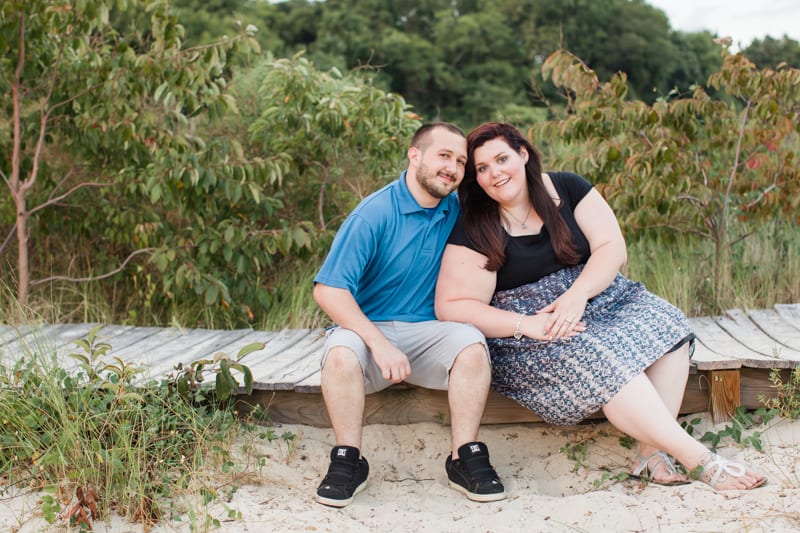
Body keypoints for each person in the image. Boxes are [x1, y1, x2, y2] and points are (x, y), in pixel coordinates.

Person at [435, 122, 766, 491]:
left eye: (501, 159)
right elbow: (452, 305)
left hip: (599, 298)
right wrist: (526, 324)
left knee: (666, 324)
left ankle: (650, 454)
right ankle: (702, 461)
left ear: (523, 154)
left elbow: (612, 247)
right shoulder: (476, 224)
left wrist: (578, 295)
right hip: (533, 329)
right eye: (482, 168)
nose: (495, 173)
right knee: (601, 356)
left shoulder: (567, 187)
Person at [312, 122, 506, 507]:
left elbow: (511, 185)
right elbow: (328, 290)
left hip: (428, 331)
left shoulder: (457, 209)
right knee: (339, 355)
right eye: (443, 156)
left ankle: (463, 456)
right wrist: (378, 343)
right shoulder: (374, 213)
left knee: (470, 344)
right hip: (367, 330)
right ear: (414, 155)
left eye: (460, 161)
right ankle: (348, 459)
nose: (452, 168)